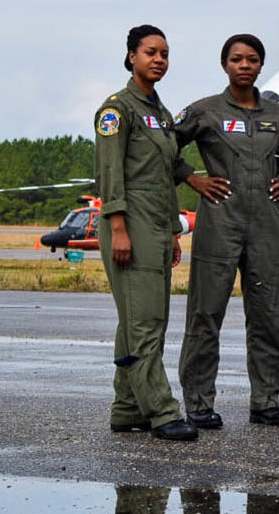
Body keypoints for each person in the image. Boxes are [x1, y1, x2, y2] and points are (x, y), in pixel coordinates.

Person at [173, 34, 279, 429]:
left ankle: (266, 402)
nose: (244, 65)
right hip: (219, 223)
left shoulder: (276, 115)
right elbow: (164, 145)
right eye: (236, 59)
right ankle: (198, 403)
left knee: (267, 316)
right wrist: (191, 179)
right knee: (205, 313)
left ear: (261, 65)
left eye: (251, 60)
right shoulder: (205, 111)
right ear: (225, 65)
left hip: (266, 226)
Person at [94, 24, 197, 441]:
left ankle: (126, 408)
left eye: (165, 54)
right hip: (129, 222)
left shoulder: (160, 113)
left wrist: (172, 231)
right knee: (146, 323)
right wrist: (118, 227)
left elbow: (164, 175)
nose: (159, 60)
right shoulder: (117, 110)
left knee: (137, 320)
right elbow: (110, 174)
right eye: (151, 52)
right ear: (131, 56)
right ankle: (162, 411)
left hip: (156, 224)